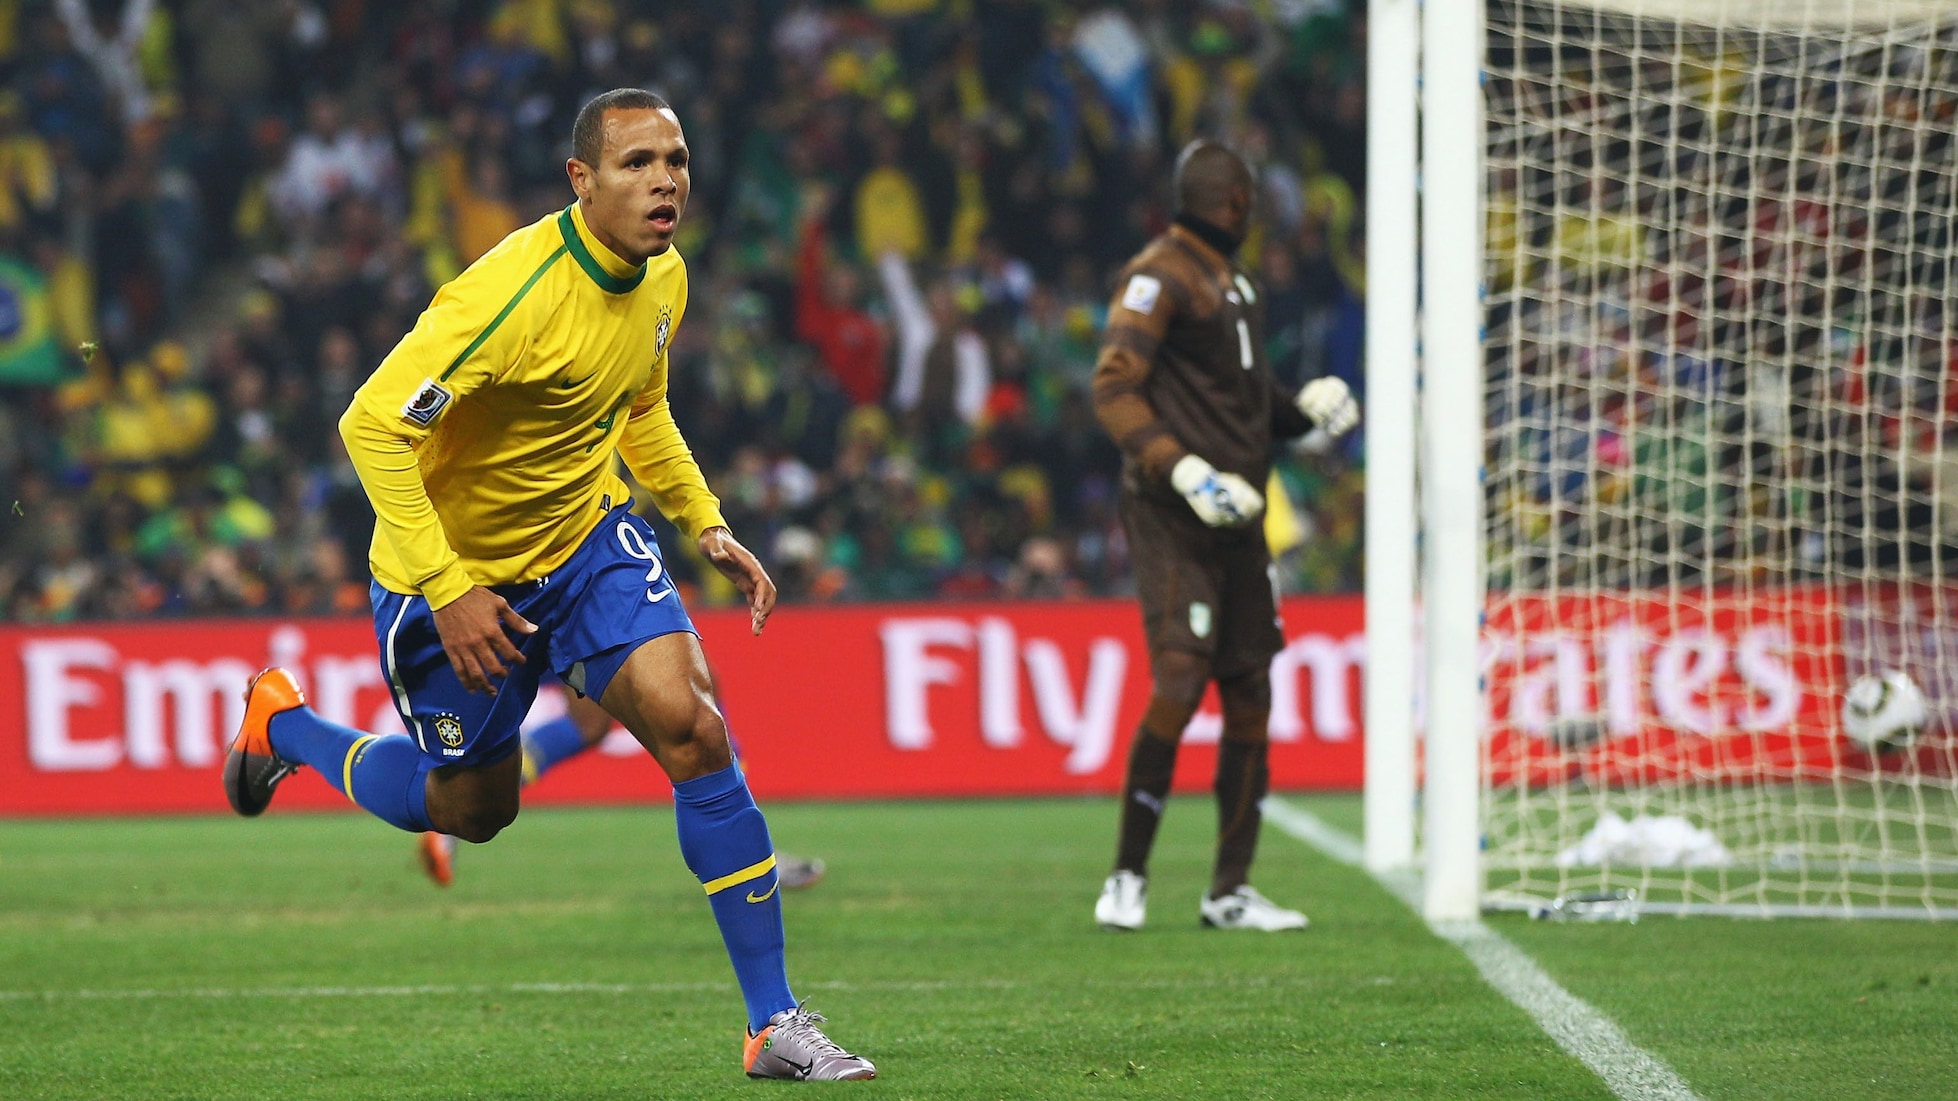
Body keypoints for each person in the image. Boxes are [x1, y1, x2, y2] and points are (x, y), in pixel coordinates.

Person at [221, 88, 874, 1081]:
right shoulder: (508, 298)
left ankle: (772, 1022)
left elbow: (640, 406)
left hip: (585, 543)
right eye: (636, 163)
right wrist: (445, 587)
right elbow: (370, 425)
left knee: (692, 727)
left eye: (677, 158)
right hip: (452, 577)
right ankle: (284, 728)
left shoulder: (664, 278)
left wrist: (704, 520)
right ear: (581, 180)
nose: (665, 180)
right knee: (471, 809)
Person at [1088, 139, 1359, 933]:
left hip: (1240, 513)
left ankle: (1229, 891)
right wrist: (1184, 473)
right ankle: (1127, 879)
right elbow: (1113, 387)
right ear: (1237, 204)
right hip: (1175, 515)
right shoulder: (1158, 274)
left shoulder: (1232, 282)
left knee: (1250, 690)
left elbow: (1237, 400)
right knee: (1180, 674)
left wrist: (1302, 412)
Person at [415, 686, 827, 894]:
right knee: (698, 687)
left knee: (589, 725)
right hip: (574, 572)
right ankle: (750, 850)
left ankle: (456, 812)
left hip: (556, 567)